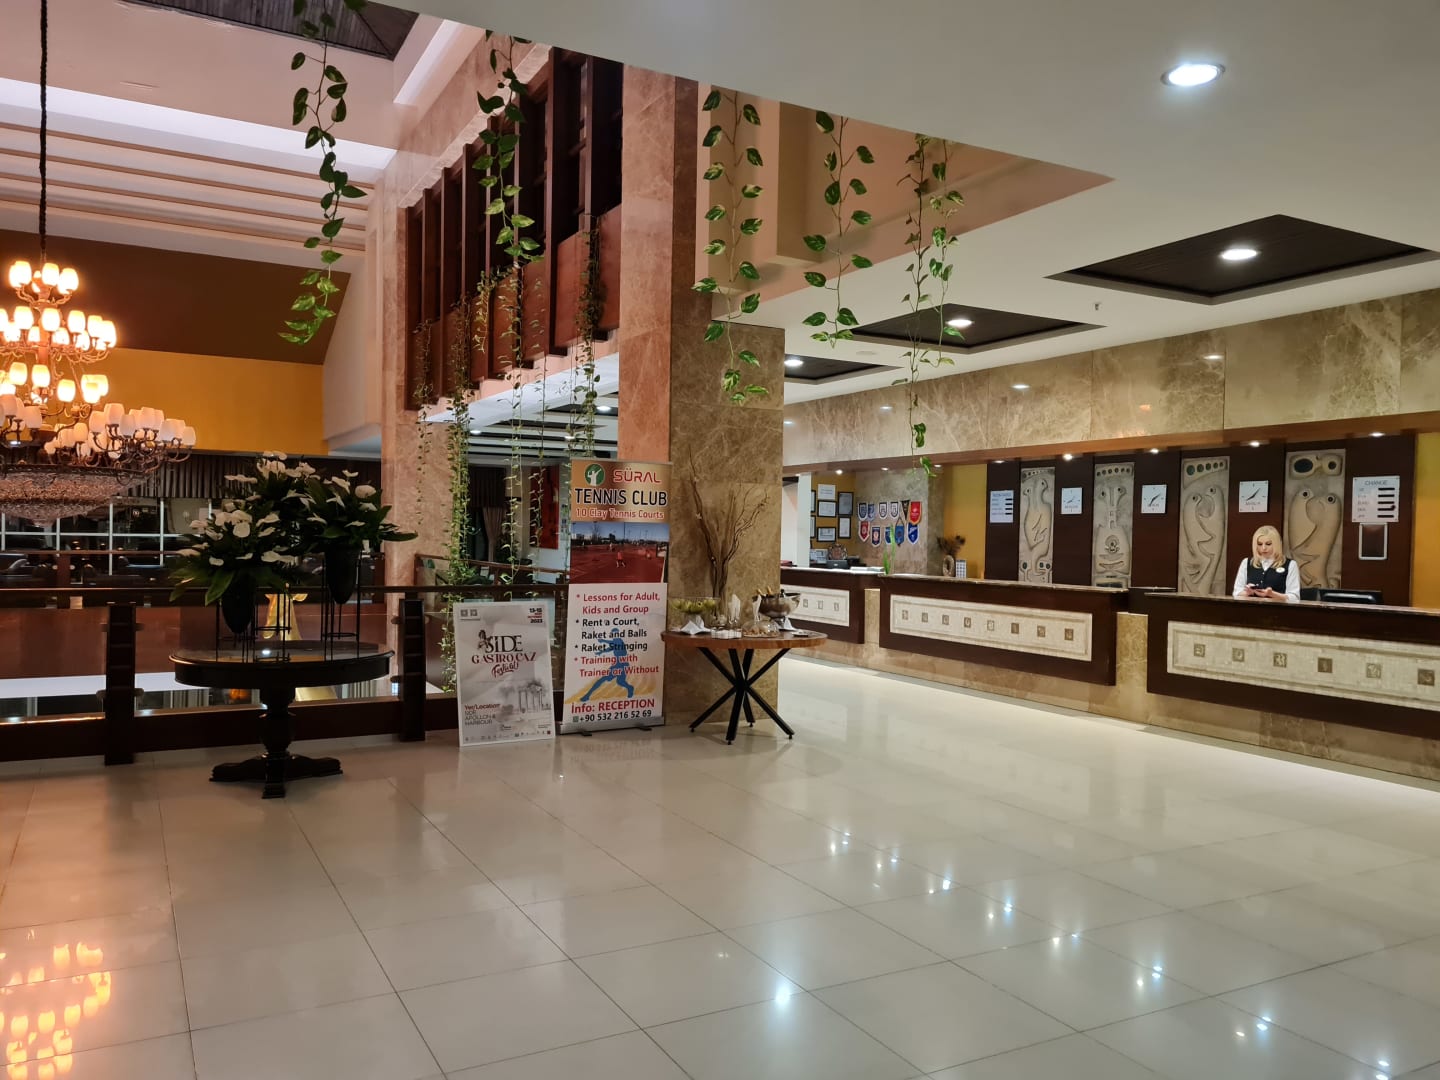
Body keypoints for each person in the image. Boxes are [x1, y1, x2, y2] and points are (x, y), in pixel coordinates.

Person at [1232, 524, 1300, 603]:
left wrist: (1272, 594)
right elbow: (1236, 592)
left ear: (1277, 544)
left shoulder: (1291, 565)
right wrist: (1249, 592)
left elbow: (1294, 597)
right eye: (1260, 544)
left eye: (1268, 544)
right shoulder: (1246, 562)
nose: (1263, 548)